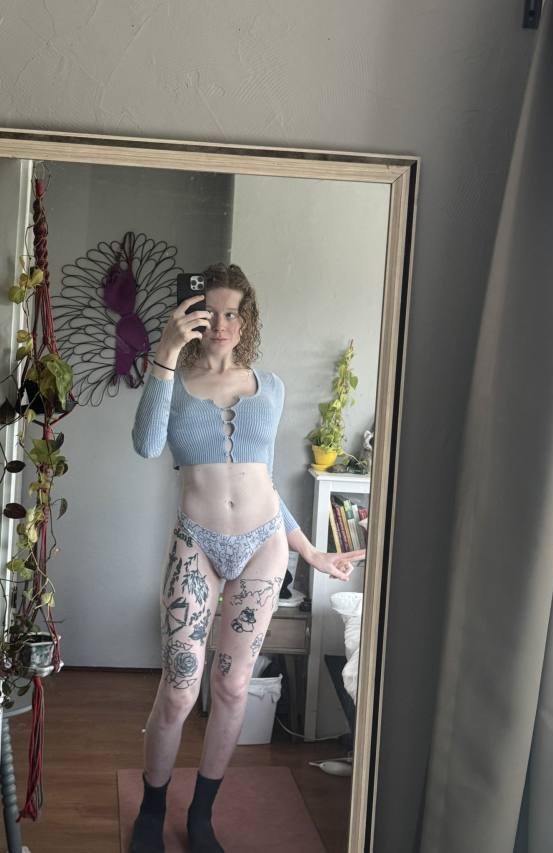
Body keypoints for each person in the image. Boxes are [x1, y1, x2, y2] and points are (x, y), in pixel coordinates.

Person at [130, 263, 365, 853]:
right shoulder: (171, 379)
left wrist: (310, 551)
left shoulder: (272, 388)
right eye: (209, 311)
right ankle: (152, 810)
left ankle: (202, 814)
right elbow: (147, 445)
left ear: (247, 320)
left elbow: (265, 485)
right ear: (191, 315)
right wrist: (165, 351)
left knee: (233, 688)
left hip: (263, 544)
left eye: (233, 312)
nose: (221, 323)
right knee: (180, 689)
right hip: (196, 542)